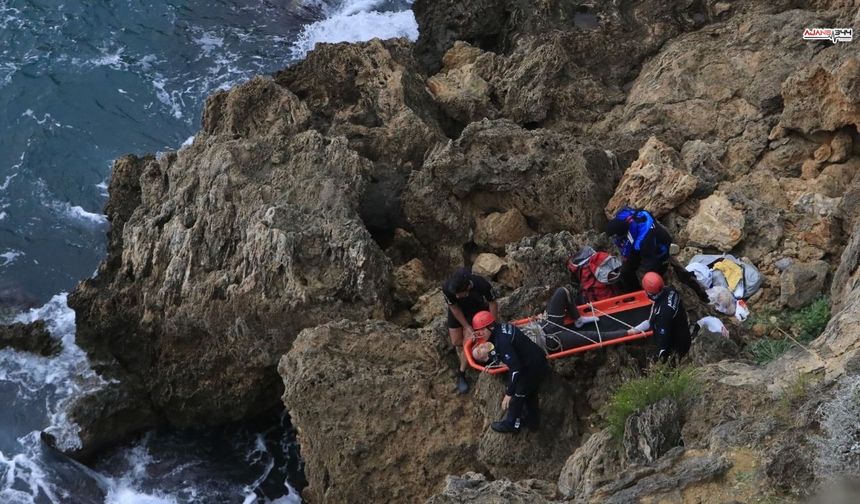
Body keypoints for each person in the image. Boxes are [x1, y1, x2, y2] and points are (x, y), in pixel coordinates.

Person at [471, 310, 548, 434]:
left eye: (481, 331)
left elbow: (515, 369)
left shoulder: (502, 341)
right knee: (529, 395)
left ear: (489, 327)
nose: (480, 335)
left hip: (532, 367)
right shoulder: (500, 329)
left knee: (517, 395)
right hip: (534, 359)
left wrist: (509, 393)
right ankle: (532, 422)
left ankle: (512, 424)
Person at [442, 267, 498, 394]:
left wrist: (492, 325)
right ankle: (469, 353)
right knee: (456, 341)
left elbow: (493, 303)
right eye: (454, 294)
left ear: (467, 289)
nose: (456, 296)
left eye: (458, 294)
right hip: (459, 311)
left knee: (469, 340)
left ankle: (461, 373)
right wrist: (466, 326)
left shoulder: (481, 284)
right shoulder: (448, 287)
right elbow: (454, 307)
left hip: (477, 309)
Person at [626, 272, 691, 361]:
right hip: (683, 329)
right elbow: (651, 321)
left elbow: (663, 341)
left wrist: (658, 358)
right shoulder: (671, 291)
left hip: (677, 343)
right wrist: (635, 330)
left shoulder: (661, 313)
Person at [606, 207, 673, 293]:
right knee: (626, 271)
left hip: (657, 250)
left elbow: (650, 262)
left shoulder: (643, 241)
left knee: (650, 279)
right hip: (645, 243)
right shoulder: (624, 215)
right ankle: (633, 293)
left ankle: (653, 295)